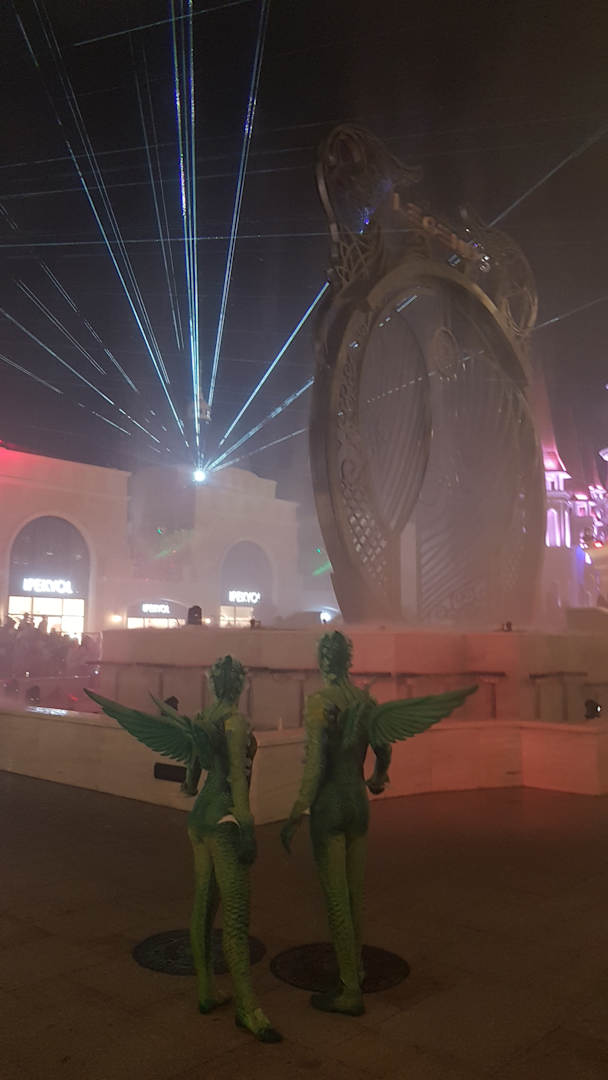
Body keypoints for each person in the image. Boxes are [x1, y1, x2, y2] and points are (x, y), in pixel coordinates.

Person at [86, 656, 281, 1043]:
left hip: (200, 820)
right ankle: (247, 1008)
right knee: (236, 917)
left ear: (213, 683)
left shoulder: (202, 720)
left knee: (203, 905)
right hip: (226, 819)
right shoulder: (236, 723)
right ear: (239, 684)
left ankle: (206, 990)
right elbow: (238, 783)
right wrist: (248, 831)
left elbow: (190, 782)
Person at [281, 631, 476, 1016]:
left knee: (336, 899)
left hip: (330, 807)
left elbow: (316, 766)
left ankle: (349, 990)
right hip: (358, 802)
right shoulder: (365, 702)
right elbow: (384, 751)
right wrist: (377, 778)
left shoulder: (320, 702)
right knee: (356, 895)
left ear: (323, 661)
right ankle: (357, 966)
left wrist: (295, 812)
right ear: (348, 660)